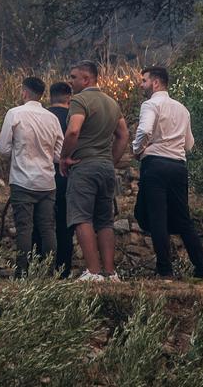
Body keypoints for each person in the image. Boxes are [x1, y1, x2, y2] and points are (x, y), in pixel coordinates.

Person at [132, 65, 203, 279]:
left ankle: (165, 270)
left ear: (156, 83)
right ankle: (201, 269)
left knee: (157, 217)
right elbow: (189, 144)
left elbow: (146, 130)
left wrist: (137, 150)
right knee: (184, 219)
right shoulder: (182, 109)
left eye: (144, 80)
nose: (142, 85)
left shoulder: (150, 105)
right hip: (178, 166)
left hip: (155, 165)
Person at [58, 59, 127, 281]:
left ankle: (93, 272)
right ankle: (110, 272)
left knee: (81, 218)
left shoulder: (80, 100)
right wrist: (111, 160)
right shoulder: (112, 102)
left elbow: (73, 132)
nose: (70, 81)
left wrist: (64, 157)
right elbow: (123, 135)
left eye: (74, 77)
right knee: (105, 221)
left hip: (84, 166)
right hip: (106, 167)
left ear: (87, 78)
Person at [0, 76, 64, 278]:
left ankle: (22, 273)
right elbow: (59, 155)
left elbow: (3, 148)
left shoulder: (15, 114)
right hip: (47, 182)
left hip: (22, 180)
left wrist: (20, 150)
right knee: (47, 228)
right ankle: (49, 272)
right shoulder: (52, 118)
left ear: (24, 92)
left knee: (24, 228)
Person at [43, 81, 75, 277]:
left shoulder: (42, 116)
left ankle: (38, 265)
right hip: (67, 175)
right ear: (69, 98)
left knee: (42, 222)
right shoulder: (75, 118)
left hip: (42, 174)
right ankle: (64, 270)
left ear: (50, 97)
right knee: (65, 224)